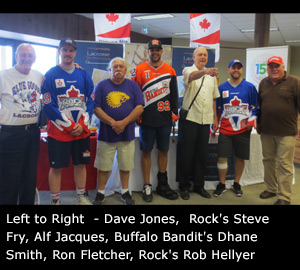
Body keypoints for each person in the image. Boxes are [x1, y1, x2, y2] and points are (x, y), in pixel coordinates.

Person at [41, 38, 94, 205]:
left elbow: (91, 100)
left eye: (71, 50)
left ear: (75, 53)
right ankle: (55, 200)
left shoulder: (83, 74)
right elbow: (48, 105)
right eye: (64, 50)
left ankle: (81, 197)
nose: (68, 53)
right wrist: (69, 126)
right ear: (59, 51)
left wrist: (83, 124)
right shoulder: (50, 74)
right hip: (59, 132)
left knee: (81, 164)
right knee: (56, 167)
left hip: (81, 130)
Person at [131, 39, 179, 202]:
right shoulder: (139, 69)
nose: (155, 52)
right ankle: (147, 185)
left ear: (162, 52)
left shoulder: (170, 70)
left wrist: (174, 113)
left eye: (158, 50)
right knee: (146, 152)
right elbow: (134, 94)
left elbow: (174, 95)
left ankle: (162, 184)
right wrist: (137, 115)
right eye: (152, 50)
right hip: (146, 120)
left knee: (164, 150)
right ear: (148, 51)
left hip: (165, 120)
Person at [93, 57, 144, 205]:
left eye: (121, 66)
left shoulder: (133, 86)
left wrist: (123, 123)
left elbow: (140, 107)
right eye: (115, 66)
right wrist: (113, 123)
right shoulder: (101, 86)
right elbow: (96, 108)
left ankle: (125, 192)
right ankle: (100, 193)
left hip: (127, 134)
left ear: (125, 70)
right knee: (103, 165)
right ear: (110, 70)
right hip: (106, 133)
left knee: (125, 165)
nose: (118, 69)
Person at [0, 44, 43, 205]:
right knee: (9, 179)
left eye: (30, 56)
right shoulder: (3, 75)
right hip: (11, 134)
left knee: (30, 177)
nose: (26, 59)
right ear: (16, 56)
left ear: (34, 59)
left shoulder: (38, 76)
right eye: (23, 55)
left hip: (32, 132)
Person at [176, 47, 219, 200]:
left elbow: (214, 98)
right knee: (186, 155)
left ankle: (199, 185)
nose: (202, 57)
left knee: (201, 155)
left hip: (205, 120)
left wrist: (215, 118)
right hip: (190, 119)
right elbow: (192, 77)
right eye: (199, 54)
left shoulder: (212, 76)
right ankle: (184, 186)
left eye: (205, 55)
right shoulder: (188, 70)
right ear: (193, 57)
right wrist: (204, 72)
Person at [257, 56, 300, 205]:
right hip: (266, 131)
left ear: (283, 67)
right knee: (268, 161)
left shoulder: (294, 82)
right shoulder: (263, 83)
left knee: (284, 164)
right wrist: (258, 124)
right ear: (267, 69)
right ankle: (271, 188)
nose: (274, 69)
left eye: (277, 66)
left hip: (286, 132)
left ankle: (284, 197)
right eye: (271, 66)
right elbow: (259, 107)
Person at [213, 59, 258, 197]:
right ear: (228, 70)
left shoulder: (249, 87)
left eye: (239, 68)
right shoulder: (221, 88)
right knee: (222, 157)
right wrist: (214, 121)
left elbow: (255, 107)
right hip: (225, 129)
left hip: (243, 129)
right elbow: (216, 108)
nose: (236, 70)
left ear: (242, 70)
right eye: (233, 68)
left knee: (240, 158)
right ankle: (222, 184)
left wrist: (252, 121)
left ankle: (236, 183)